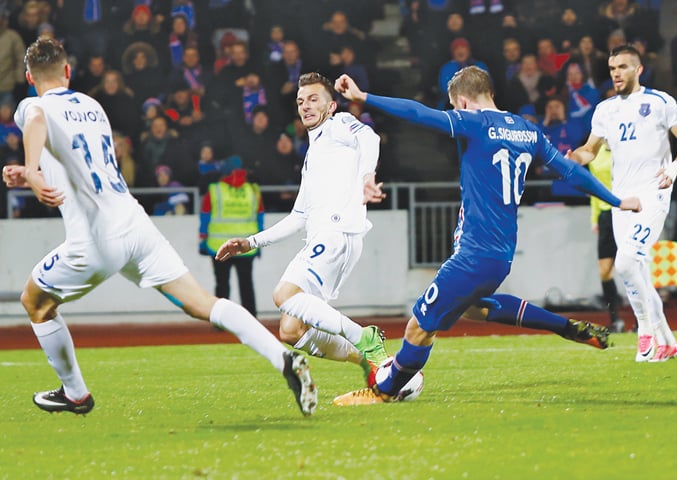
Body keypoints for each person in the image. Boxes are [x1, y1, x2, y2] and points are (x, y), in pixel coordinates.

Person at [1, 37, 316, 416]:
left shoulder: (32, 104)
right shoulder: (93, 106)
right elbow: (77, 159)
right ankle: (282, 358)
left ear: (28, 75)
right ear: (68, 72)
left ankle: (75, 394)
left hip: (96, 238)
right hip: (136, 225)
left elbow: (36, 120)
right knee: (204, 303)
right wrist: (31, 174)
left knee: (34, 302)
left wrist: (32, 170)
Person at [330, 66, 641, 405]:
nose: (454, 112)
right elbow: (571, 173)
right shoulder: (528, 131)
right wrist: (618, 201)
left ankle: (383, 392)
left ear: (463, 101)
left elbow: (419, 114)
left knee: (419, 326)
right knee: (475, 309)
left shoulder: (474, 122)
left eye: (455, 107)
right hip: (501, 255)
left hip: (474, 254)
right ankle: (565, 327)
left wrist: (364, 97)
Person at [215, 72, 390, 387]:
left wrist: (367, 176)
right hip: (328, 237)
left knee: (283, 295)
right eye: (300, 101)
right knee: (291, 331)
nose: (306, 106)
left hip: (338, 234)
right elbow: (299, 216)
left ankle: (364, 337)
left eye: (313, 99)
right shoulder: (313, 154)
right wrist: (251, 242)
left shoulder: (338, 126)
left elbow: (370, 138)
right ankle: (367, 360)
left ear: (331, 105)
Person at [568, 44, 677, 363]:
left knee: (625, 262)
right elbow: (590, 150)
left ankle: (646, 333)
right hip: (622, 200)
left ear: (638, 70)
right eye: (612, 68)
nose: (616, 73)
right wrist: (572, 159)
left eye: (623, 67)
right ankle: (667, 342)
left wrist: (674, 169)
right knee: (636, 269)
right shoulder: (605, 109)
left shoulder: (659, 101)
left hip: (653, 193)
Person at [200, 156, 262, 316]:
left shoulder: (215, 190)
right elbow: (259, 216)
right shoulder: (253, 190)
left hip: (219, 246)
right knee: (246, 284)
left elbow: (205, 216)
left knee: (221, 285)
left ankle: (220, 321)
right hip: (246, 245)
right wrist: (260, 243)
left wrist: (202, 241)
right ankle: (251, 319)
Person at [589, 141, 626, 334]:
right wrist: (594, 217)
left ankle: (642, 320)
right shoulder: (596, 155)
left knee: (632, 267)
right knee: (605, 271)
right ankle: (616, 319)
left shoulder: (627, 149)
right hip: (606, 216)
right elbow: (593, 186)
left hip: (627, 212)